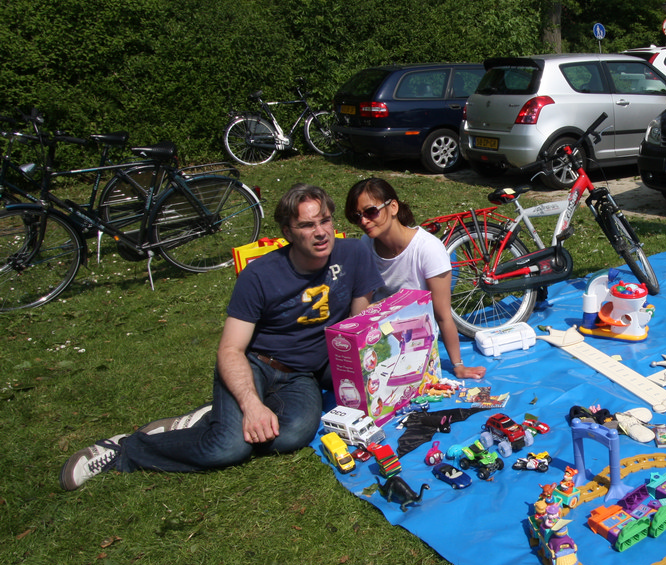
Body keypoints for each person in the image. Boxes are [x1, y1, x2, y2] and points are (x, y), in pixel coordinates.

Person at [59, 184, 382, 490]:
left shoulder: (353, 253)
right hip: (255, 364)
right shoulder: (260, 275)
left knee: (292, 435)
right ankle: (125, 450)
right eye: (307, 225)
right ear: (288, 232)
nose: (321, 232)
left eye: (325, 220)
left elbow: (357, 324)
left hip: (302, 374)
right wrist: (251, 406)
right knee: (229, 448)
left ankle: (213, 418)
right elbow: (230, 349)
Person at [344, 177, 486, 380]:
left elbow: (443, 315)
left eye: (370, 212)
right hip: (377, 333)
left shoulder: (428, 249)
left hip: (415, 337)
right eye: (356, 216)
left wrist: (458, 365)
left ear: (393, 207)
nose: (363, 221)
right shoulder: (366, 244)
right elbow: (360, 308)